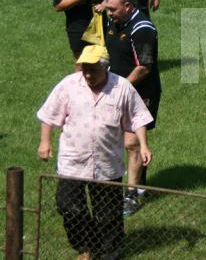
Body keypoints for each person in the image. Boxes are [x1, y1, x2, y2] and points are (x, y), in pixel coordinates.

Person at [37, 45, 152, 260]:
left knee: (109, 216)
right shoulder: (69, 85)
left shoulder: (122, 87)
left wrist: (144, 145)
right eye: (84, 70)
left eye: (93, 70)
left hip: (107, 163)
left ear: (105, 67)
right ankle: (85, 247)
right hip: (73, 161)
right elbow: (49, 113)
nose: (87, 75)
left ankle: (110, 254)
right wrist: (45, 142)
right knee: (68, 206)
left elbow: (138, 117)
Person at [104, 0, 161, 216]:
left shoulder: (143, 29)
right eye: (108, 9)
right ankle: (129, 185)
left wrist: (120, 89)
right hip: (115, 90)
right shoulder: (113, 22)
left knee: (132, 143)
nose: (109, 14)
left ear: (128, 6)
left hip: (140, 93)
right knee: (114, 138)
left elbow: (144, 67)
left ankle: (132, 195)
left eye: (113, 10)